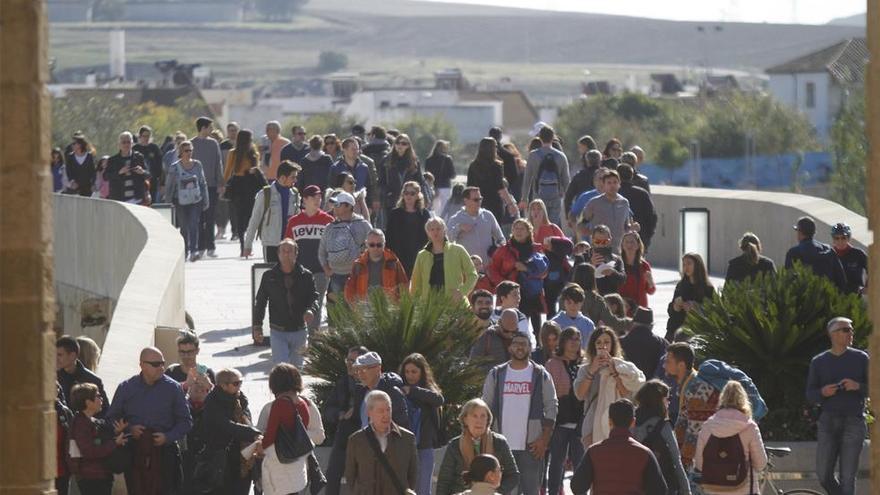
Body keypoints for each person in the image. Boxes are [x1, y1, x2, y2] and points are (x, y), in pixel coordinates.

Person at [106, 347, 193, 494]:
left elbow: (186, 421)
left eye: (162, 363)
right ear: (142, 365)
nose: (161, 368)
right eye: (156, 364)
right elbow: (111, 418)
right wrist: (129, 429)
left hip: (165, 453)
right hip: (135, 452)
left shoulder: (173, 388)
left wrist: (167, 437)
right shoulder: (126, 388)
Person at [481, 333, 558, 495]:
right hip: (501, 447)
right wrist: (487, 440)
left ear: (530, 348)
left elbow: (551, 407)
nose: (520, 347)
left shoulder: (541, 374)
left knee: (531, 491)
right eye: (516, 343)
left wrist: (544, 439)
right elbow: (485, 408)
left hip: (532, 447)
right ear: (510, 347)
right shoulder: (496, 374)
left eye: (524, 343)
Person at [806, 317, 869, 495]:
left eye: (851, 329)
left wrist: (858, 386)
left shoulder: (861, 358)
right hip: (828, 421)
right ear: (833, 334)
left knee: (847, 478)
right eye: (846, 330)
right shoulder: (819, 361)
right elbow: (810, 394)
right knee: (823, 475)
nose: (851, 333)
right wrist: (823, 392)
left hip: (854, 421)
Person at [570, 399, 667, 495]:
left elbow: (577, 487)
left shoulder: (594, 451)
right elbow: (660, 490)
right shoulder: (644, 453)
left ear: (610, 422)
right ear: (633, 422)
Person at [257, 363, 325, 495]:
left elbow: (269, 436)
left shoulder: (276, 406)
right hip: (299, 465)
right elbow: (313, 435)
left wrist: (260, 446)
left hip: (279, 467)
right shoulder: (306, 404)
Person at [574, 327, 645, 445]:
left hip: (618, 421)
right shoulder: (585, 369)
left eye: (607, 342)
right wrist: (592, 371)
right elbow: (580, 395)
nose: (603, 346)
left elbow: (627, 396)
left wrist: (614, 372)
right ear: (593, 345)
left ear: (613, 344)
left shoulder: (622, 367)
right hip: (592, 422)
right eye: (599, 342)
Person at [253, 238, 318, 366]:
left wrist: (311, 310)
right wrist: (257, 326)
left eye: (290, 251)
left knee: (297, 369)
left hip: (299, 330)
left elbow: (314, 296)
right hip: (278, 330)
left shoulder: (306, 275)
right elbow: (260, 302)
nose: (286, 254)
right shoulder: (269, 276)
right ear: (278, 254)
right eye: (283, 251)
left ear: (296, 253)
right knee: (282, 368)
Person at [695, 381, 767, 495]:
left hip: (714, 489)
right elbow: (761, 463)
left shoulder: (707, 426)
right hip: (744, 489)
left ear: (722, 398)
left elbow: (699, 464)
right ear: (743, 400)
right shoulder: (750, 427)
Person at [197, 369, 262, 495]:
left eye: (240, 382)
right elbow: (227, 426)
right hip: (221, 460)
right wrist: (253, 433)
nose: (240, 386)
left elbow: (247, 421)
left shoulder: (240, 399)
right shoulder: (213, 402)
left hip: (243, 459)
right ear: (223, 385)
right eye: (236, 383)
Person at [165, 331, 215, 493]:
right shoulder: (171, 373)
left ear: (197, 351)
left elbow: (217, 402)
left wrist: (209, 385)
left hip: (203, 434)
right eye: (182, 352)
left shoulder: (207, 372)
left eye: (190, 352)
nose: (186, 356)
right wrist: (186, 384)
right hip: (181, 434)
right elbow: (166, 398)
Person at [436, 399, 520, 495]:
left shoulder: (500, 442)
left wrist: (493, 492)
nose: (479, 420)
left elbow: (513, 475)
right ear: (465, 419)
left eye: (483, 416)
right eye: (474, 416)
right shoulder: (455, 445)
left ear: (488, 419)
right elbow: (444, 481)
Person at [345, 390, 419, 494]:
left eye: (388, 409)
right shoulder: (356, 440)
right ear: (369, 413)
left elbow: (412, 475)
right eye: (381, 411)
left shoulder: (407, 438)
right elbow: (350, 476)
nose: (386, 415)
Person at [488, 218, 549, 333]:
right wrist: (505, 285)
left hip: (532, 293)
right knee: (511, 325)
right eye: (516, 228)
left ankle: (537, 346)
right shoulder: (503, 250)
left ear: (528, 232)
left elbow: (544, 272)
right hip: (511, 294)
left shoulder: (536, 249)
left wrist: (526, 269)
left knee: (536, 326)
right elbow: (492, 269)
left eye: (522, 229)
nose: (518, 231)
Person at [545, 327, 586, 495]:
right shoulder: (552, 363)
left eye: (578, 339)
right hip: (560, 421)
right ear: (563, 342)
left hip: (580, 422)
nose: (575, 342)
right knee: (556, 463)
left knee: (580, 464)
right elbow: (548, 393)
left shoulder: (585, 363)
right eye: (571, 339)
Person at [632, 380, 691, 495]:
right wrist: (686, 490)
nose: (668, 403)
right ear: (659, 400)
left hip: (636, 484)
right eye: (666, 398)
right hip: (662, 485)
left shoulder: (631, 422)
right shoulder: (663, 426)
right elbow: (676, 459)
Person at [69, 383, 129, 495]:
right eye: (97, 396)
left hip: (102, 475)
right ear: (88, 402)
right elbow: (89, 452)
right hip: (91, 477)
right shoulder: (80, 424)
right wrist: (114, 443)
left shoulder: (94, 421)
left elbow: (103, 440)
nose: (101, 398)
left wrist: (117, 432)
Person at [400, 353, 446, 495]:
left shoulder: (427, 390)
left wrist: (413, 391)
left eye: (414, 371)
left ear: (422, 372)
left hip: (425, 446)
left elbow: (439, 399)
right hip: (404, 445)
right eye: (407, 371)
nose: (410, 375)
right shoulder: (399, 389)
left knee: (423, 488)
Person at [318, 190, 373, 303]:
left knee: (355, 314)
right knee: (335, 314)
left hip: (357, 276)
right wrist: (326, 269)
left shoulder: (363, 225)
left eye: (338, 204)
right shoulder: (329, 227)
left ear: (348, 206)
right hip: (335, 277)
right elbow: (322, 251)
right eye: (334, 204)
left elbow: (373, 248)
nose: (334, 207)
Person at [244, 160, 302, 263]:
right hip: (271, 243)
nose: (295, 180)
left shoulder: (295, 195)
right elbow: (254, 221)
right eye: (293, 177)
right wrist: (248, 245)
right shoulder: (265, 194)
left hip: (290, 244)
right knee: (272, 276)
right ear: (283, 177)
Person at [223, 129, 268, 257]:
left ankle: (246, 246)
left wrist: (225, 184)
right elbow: (228, 171)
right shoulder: (238, 153)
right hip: (244, 186)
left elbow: (227, 172)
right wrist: (224, 185)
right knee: (243, 217)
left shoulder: (252, 152)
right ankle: (244, 246)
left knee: (245, 216)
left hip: (244, 185)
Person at [411, 217, 478, 299]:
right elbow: (415, 284)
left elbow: (472, 274)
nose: (435, 232)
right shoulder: (422, 255)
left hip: (455, 305)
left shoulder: (458, 250)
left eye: (438, 229)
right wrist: (416, 305)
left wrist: (462, 292)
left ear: (444, 230)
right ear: (428, 233)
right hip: (430, 307)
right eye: (432, 229)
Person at [165, 140, 210, 262]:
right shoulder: (174, 167)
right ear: (181, 152)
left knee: (193, 224)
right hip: (179, 201)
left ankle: (193, 251)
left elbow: (202, 182)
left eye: (190, 150)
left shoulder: (197, 165)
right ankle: (184, 251)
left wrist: (206, 199)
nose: (189, 153)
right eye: (186, 151)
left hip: (196, 200)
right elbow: (169, 185)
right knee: (184, 227)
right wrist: (167, 201)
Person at [520, 125, 570, 225]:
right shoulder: (561, 156)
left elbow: (527, 179)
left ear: (540, 137)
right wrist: (568, 201)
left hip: (538, 196)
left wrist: (524, 198)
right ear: (553, 138)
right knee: (553, 225)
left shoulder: (533, 155)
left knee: (538, 225)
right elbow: (566, 180)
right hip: (556, 196)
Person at [344, 228, 410, 302]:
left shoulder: (393, 262)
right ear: (366, 244)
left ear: (384, 244)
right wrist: (355, 307)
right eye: (372, 245)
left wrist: (400, 305)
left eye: (379, 245)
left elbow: (404, 285)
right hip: (365, 308)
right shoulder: (359, 264)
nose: (375, 248)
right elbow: (350, 289)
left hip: (389, 308)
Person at [784, 216, 847, 291]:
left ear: (800, 232)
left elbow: (788, 281)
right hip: (827, 297)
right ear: (814, 232)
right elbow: (841, 280)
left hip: (804, 299)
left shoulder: (793, 252)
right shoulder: (828, 250)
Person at [191, 117, 224, 258]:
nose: (212, 130)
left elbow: (218, 164)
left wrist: (221, 183)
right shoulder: (191, 144)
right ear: (203, 128)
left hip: (211, 185)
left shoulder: (214, 144)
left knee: (210, 217)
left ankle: (211, 247)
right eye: (210, 127)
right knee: (198, 217)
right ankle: (199, 247)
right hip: (195, 187)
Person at [581, 169, 635, 254]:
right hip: (599, 250)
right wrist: (596, 235)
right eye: (609, 183)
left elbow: (625, 226)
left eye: (615, 182)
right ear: (604, 185)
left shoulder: (624, 203)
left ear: (619, 184)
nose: (612, 186)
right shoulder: (594, 203)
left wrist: (632, 228)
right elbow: (581, 225)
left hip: (618, 250)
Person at [447, 186, 506, 263]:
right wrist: (459, 227)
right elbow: (447, 241)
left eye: (480, 199)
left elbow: (500, 238)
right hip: (467, 268)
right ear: (466, 201)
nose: (479, 202)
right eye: (476, 200)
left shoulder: (488, 215)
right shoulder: (455, 219)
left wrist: (499, 250)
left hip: (487, 267)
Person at [570, 263, 631, 335]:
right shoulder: (597, 300)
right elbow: (613, 322)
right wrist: (632, 322)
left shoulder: (566, 297)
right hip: (588, 339)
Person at [56, 335, 110, 418]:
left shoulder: (92, 380)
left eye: (60, 355)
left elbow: (105, 412)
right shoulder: (54, 377)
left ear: (72, 356)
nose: (56, 358)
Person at [666, 253, 715, 342]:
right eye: (684, 264)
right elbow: (671, 312)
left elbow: (712, 313)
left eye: (689, 263)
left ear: (697, 265)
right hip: (677, 329)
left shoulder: (708, 288)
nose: (686, 267)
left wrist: (695, 308)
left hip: (697, 332)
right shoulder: (681, 285)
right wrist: (675, 307)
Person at [468, 137, 518, 224]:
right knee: (494, 230)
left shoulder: (473, 166)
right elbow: (501, 188)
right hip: (495, 203)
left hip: (478, 203)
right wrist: (511, 204)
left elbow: (469, 187)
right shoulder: (496, 166)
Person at [386, 181, 432, 275]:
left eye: (412, 193)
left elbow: (429, 237)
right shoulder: (395, 214)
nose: (408, 196)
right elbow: (389, 237)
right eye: (406, 193)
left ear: (418, 195)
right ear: (402, 195)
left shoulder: (424, 214)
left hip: (418, 257)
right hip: (398, 257)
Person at [384, 133, 428, 216]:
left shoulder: (414, 162)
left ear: (408, 146)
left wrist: (425, 199)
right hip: (392, 199)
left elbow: (420, 181)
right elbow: (381, 182)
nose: (400, 145)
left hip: (410, 200)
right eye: (397, 142)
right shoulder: (387, 161)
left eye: (403, 143)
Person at [622, 307, 668, 379]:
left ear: (633, 324)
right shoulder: (662, 343)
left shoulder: (620, 342)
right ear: (651, 326)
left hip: (625, 386)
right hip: (652, 386)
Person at [489, 281, 538, 349]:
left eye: (519, 294)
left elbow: (525, 341)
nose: (519, 298)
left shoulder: (521, 318)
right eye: (515, 295)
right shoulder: (491, 315)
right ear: (503, 298)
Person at [106, 131, 150, 204]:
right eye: (123, 142)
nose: (126, 144)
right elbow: (106, 176)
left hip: (137, 199)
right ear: (119, 145)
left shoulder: (139, 157)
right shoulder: (113, 160)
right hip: (119, 199)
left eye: (128, 142)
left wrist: (142, 172)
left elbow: (149, 174)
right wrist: (119, 172)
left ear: (132, 143)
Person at [619, 231, 656, 310]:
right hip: (622, 310)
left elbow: (651, 291)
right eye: (626, 242)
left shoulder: (644, 266)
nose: (629, 245)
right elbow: (611, 289)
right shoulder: (617, 264)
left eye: (632, 242)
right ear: (622, 245)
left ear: (638, 245)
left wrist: (650, 282)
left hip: (640, 311)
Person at [564, 149, 602, 223]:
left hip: (581, 213)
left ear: (587, 161)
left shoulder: (579, 175)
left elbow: (569, 196)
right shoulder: (605, 175)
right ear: (600, 160)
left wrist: (568, 214)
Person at [830, 222, 868, 295]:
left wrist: (867, 286)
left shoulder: (858, 254)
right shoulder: (829, 254)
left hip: (854, 297)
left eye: (843, 238)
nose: (840, 241)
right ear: (833, 239)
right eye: (837, 238)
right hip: (835, 297)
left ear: (849, 238)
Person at [589, 224, 626, 296]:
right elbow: (576, 279)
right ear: (592, 240)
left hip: (610, 300)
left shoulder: (616, 259)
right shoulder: (584, 257)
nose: (601, 244)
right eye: (597, 241)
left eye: (605, 242)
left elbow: (623, 280)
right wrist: (590, 265)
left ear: (610, 240)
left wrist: (613, 273)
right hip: (590, 300)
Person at [133, 125, 164, 201]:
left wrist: (162, 182)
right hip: (139, 183)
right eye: (144, 136)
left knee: (152, 204)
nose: (146, 138)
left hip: (152, 182)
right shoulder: (135, 148)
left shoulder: (154, 148)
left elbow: (160, 166)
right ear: (140, 136)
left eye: (148, 136)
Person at [426, 139, 456, 213]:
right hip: (445, 187)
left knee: (434, 210)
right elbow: (453, 174)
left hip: (432, 187)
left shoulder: (429, 160)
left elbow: (427, 176)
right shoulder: (447, 159)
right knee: (444, 209)